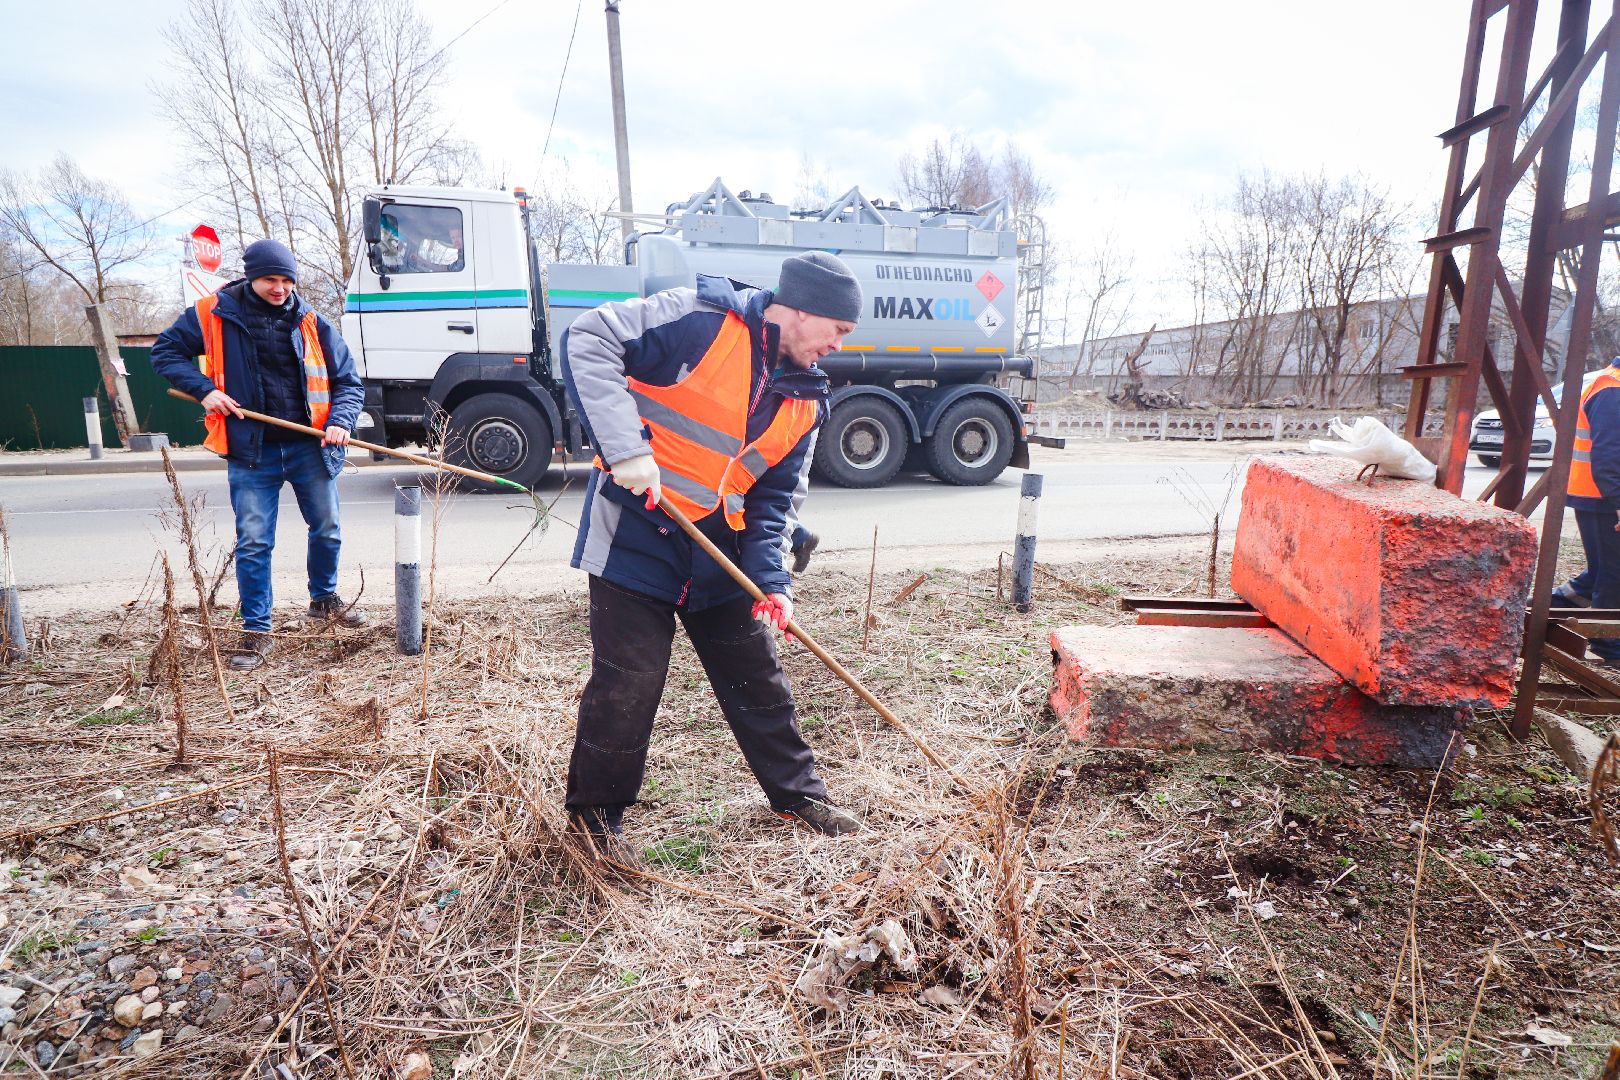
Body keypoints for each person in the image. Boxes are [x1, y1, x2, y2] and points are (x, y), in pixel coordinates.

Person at [560, 251, 865, 857]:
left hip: (717, 551)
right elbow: (588, 337)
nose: (838, 345)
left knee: (759, 676)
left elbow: (774, 503)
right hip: (635, 537)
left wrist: (772, 581)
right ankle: (596, 820)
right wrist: (624, 450)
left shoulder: (806, 402)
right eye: (839, 330)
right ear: (804, 310)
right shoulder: (699, 321)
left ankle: (798, 797)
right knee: (628, 686)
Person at [151, 239, 367, 672]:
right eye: (272, 279)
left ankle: (323, 600)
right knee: (254, 542)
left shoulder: (312, 321)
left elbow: (348, 382)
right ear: (251, 276)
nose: (280, 288)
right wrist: (205, 390)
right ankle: (256, 631)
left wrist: (341, 421)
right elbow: (164, 352)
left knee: (327, 528)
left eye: (287, 280)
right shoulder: (214, 313)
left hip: (310, 445)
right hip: (252, 449)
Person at [1566, 355, 1620, 665]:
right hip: (1602, 499)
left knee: (1602, 570)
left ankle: (1553, 603)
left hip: (1601, 497)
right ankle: (1607, 643)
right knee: (1614, 573)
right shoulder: (1611, 390)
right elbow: (1609, 456)